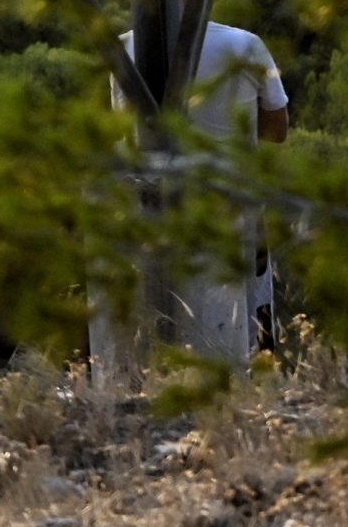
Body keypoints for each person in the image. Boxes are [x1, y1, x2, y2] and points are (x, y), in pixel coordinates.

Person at [106, 20, 291, 366]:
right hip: (234, 204)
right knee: (250, 313)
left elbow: (126, 131)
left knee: (150, 318)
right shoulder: (245, 45)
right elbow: (277, 129)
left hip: (146, 209)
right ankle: (251, 389)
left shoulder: (122, 49)